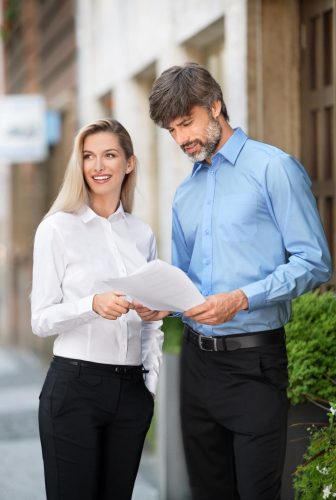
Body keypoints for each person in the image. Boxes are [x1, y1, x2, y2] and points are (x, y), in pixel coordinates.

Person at [136, 63, 332, 500]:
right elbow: (184, 279)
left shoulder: (273, 168)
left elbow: (315, 261)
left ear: (216, 107)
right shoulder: (185, 193)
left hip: (254, 364)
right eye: (172, 130)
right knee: (206, 491)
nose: (181, 138)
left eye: (186, 123)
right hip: (196, 363)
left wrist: (242, 298)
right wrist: (162, 302)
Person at [31, 118, 163, 500]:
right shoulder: (57, 229)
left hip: (131, 393)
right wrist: (91, 305)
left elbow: (150, 322)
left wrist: (149, 384)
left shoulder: (142, 234)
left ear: (129, 163)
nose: (98, 166)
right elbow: (40, 319)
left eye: (109, 155)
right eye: (88, 156)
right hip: (75, 390)